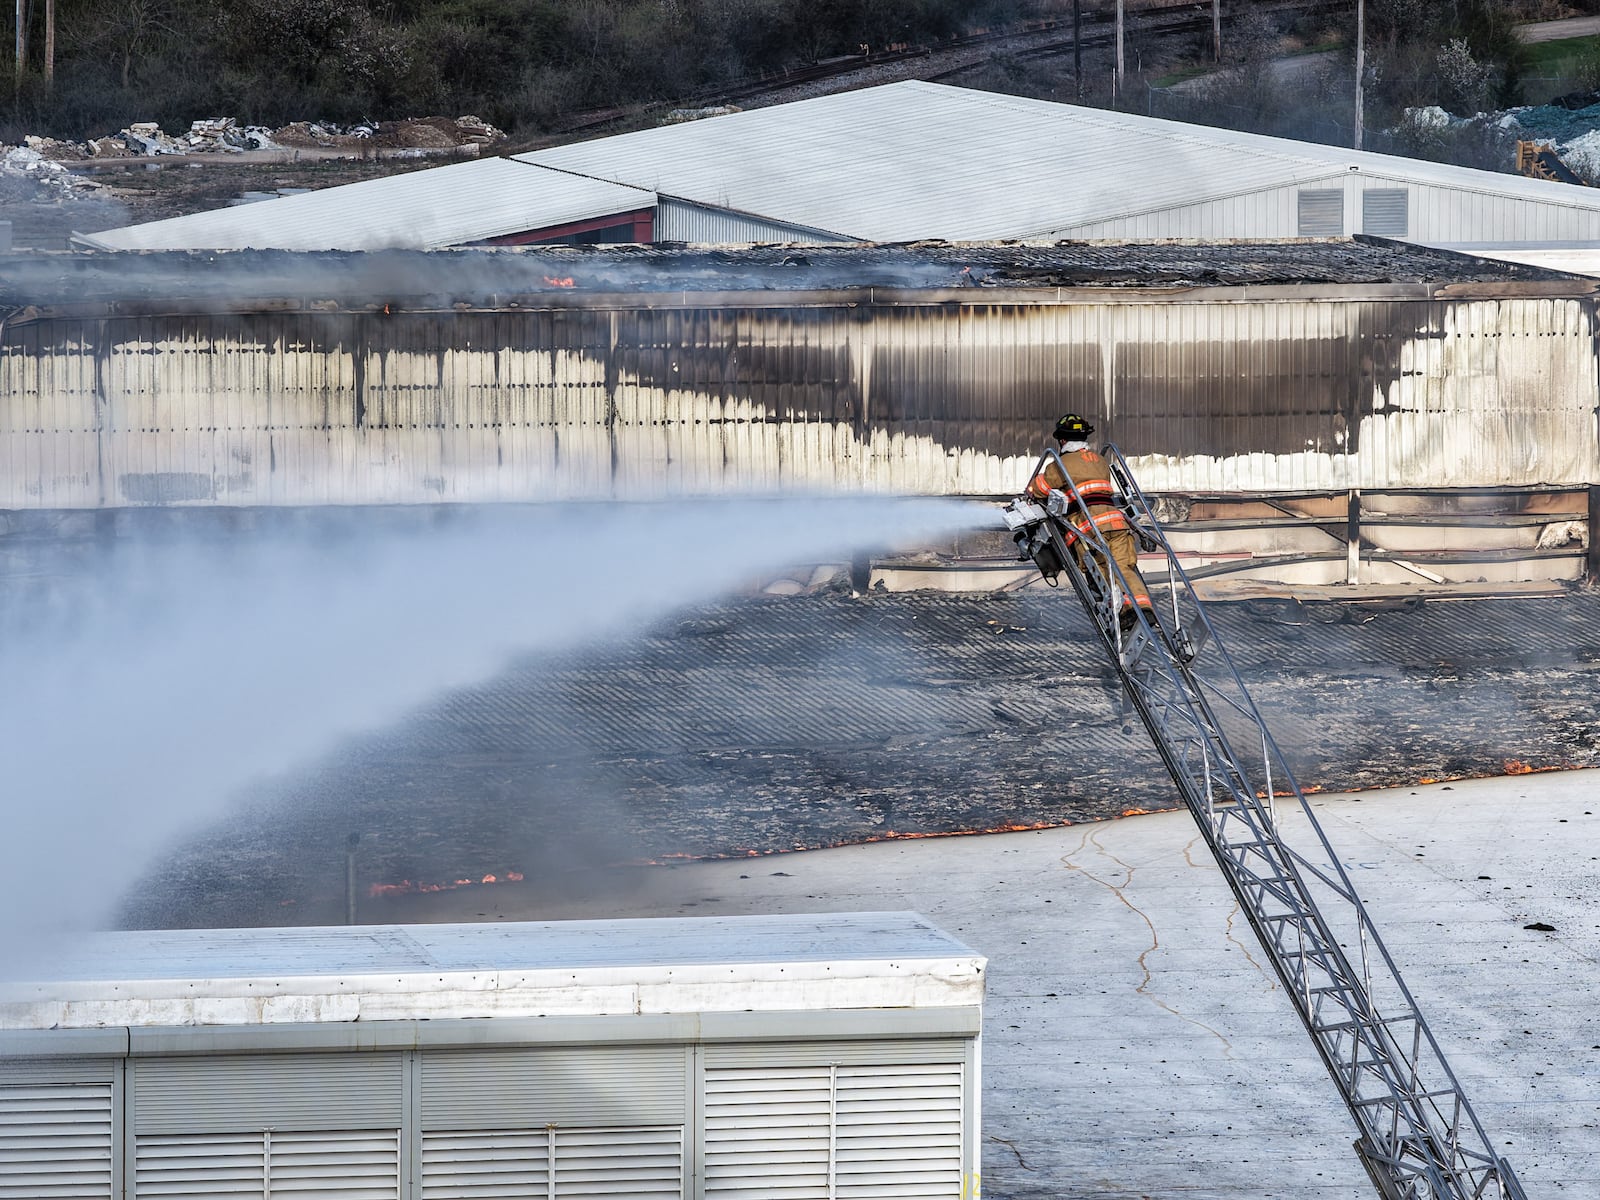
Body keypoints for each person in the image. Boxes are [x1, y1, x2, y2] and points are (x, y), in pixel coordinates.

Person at [1028, 413, 1153, 633]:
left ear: (1063, 440)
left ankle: (1123, 613)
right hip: (1117, 523)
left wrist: (1030, 493)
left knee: (1103, 568)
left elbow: (1038, 489)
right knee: (1125, 567)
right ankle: (1141, 607)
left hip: (1088, 528)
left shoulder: (1060, 464)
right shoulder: (1100, 460)